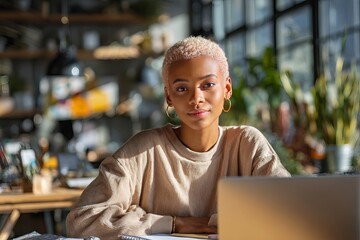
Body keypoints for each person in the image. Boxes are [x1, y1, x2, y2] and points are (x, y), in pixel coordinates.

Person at [66, 36, 291, 239]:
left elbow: (290, 211)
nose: (196, 98)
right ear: (169, 97)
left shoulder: (248, 145)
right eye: (182, 88)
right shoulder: (142, 150)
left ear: (227, 88)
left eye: (208, 85)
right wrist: (176, 224)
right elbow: (82, 221)